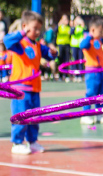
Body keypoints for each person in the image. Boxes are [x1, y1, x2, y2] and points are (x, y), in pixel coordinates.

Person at [4, 10, 54, 155]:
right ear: (25, 26)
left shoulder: (37, 45)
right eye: (35, 28)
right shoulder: (20, 43)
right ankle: (17, 142)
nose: (38, 31)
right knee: (21, 115)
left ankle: (32, 141)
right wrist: (22, 33)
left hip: (34, 87)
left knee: (35, 116)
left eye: (40, 28)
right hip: (20, 88)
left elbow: (48, 55)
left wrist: (53, 53)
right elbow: (7, 41)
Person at [78, 17, 103, 125]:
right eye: (100, 31)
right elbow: (82, 45)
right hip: (92, 71)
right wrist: (90, 35)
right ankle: (85, 115)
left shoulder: (98, 40)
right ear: (92, 30)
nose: (101, 34)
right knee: (91, 93)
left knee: (101, 94)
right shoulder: (88, 39)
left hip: (101, 70)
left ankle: (99, 115)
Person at [56, 14, 72, 81]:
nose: (65, 21)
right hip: (60, 45)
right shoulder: (59, 27)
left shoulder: (69, 27)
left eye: (66, 19)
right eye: (64, 19)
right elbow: (54, 31)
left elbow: (72, 33)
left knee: (67, 60)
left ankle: (66, 75)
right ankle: (60, 75)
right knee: (60, 60)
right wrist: (59, 24)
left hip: (67, 45)